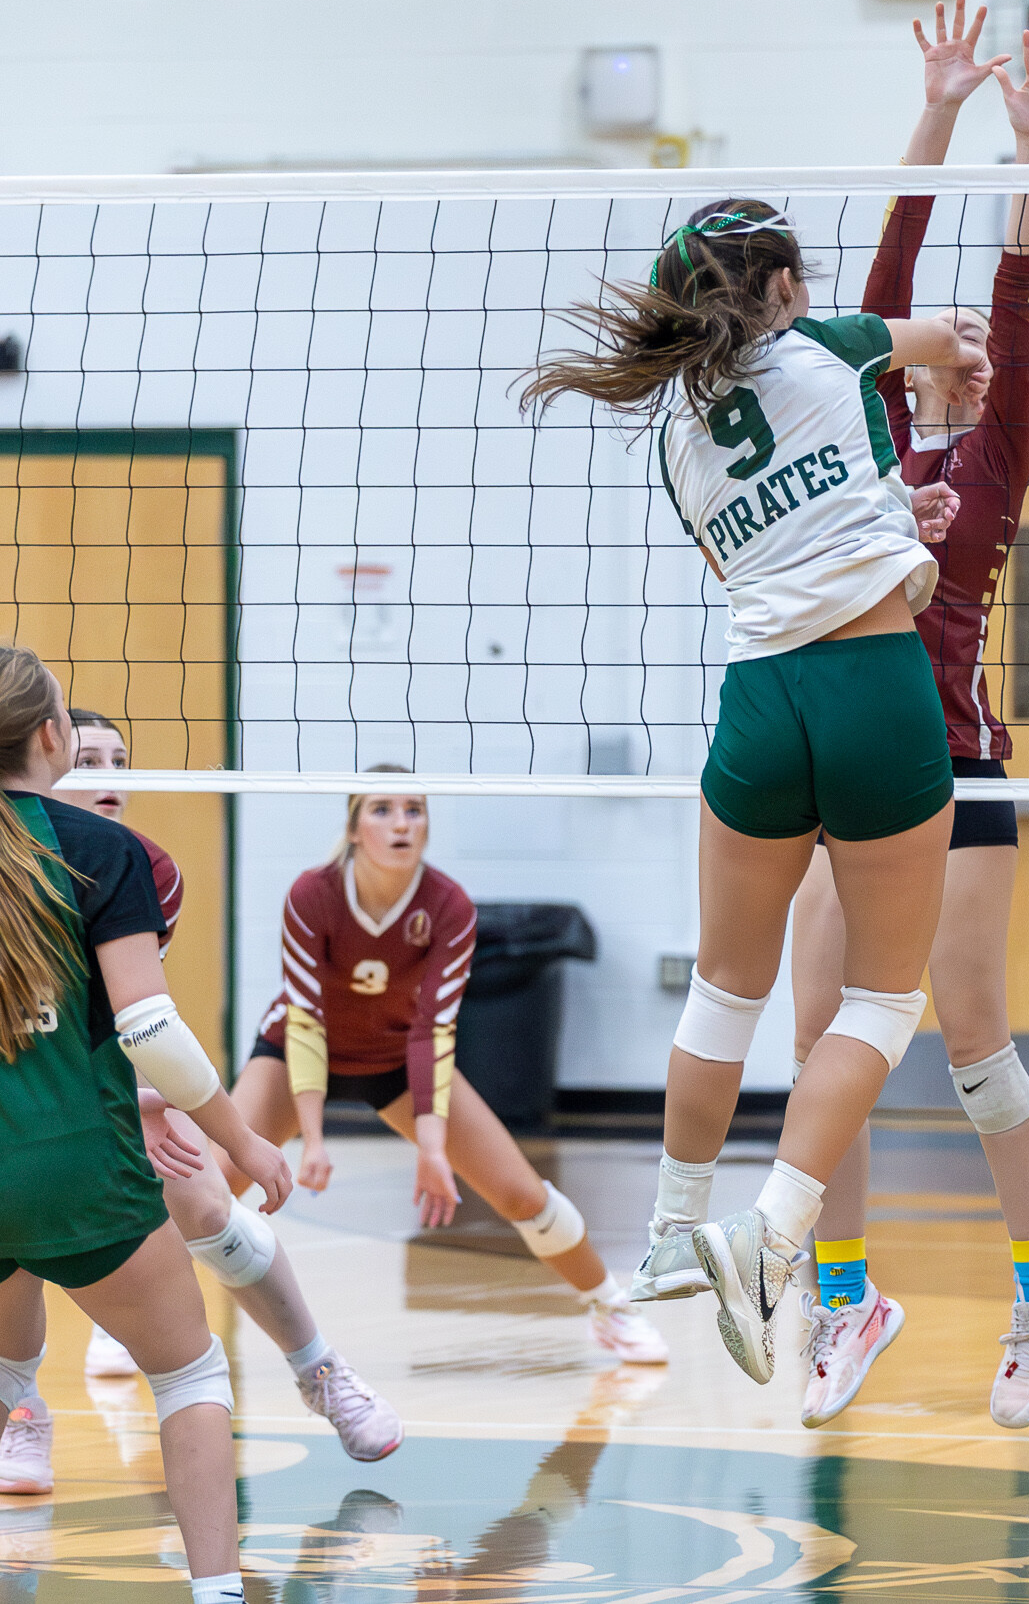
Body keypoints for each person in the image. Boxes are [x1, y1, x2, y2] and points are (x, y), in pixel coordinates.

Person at [521, 195, 982, 1387]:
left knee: (725, 988)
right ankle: (771, 1228)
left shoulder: (679, 441)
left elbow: (770, 548)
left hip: (758, 701)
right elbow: (952, 332)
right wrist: (958, 367)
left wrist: (894, 513)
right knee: (881, 1000)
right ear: (780, 289)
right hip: (874, 685)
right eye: (799, 276)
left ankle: (672, 1231)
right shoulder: (831, 344)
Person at [786, 0, 1029, 1431]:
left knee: (970, 1041)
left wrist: (1026, 151)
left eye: (980, 348)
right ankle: (845, 1295)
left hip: (957, 768)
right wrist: (938, 109)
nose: (966, 349)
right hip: (844, 773)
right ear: (903, 362)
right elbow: (886, 271)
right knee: (821, 1046)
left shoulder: (989, 457)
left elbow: (1010, 300)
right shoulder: (860, 438)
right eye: (944, 340)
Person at [0, 712, 400, 1498]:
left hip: (110, 1076)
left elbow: (124, 1015)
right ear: (44, 758)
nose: (110, 778)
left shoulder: (141, 866)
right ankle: (24, 1410)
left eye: (122, 761)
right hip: (32, 1095)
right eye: (90, 760)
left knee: (208, 1203)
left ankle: (319, 1369)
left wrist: (143, 1102)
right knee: (19, 1243)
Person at [0, 645, 295, 1604]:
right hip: (77, 1171)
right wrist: (241, 1138)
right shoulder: (102, 850)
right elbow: (151, 1028)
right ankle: (217, 1592)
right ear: (53, 736)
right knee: (189, 1375)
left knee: (6, 1374)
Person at [218, 771, 666, 1366]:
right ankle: (123, 1330)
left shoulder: (448, 905)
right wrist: (314, 1138)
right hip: (298, 1051)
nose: (401, 823)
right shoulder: (312, 893)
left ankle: (611, 1306)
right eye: (382, 810)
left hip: (398, 1057)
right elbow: (304, 1019)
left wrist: (432, 1148)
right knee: (208, 1185)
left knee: (521, 1193)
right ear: (353, 829)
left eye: (415, 809)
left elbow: (434, 1028)